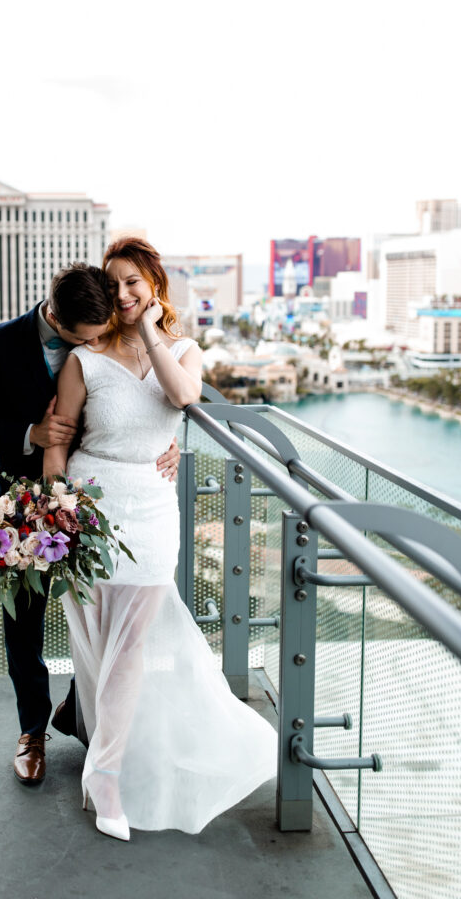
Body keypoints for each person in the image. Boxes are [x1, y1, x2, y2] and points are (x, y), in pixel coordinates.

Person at [43, 238, 277, 840]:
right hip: (89, 512)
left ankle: (107, 775)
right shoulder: (83, 359)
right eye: (114, 284)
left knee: (128, 651)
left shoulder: (183, 350)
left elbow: (184, 397)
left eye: (133, 284)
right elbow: (58, 442)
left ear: (154, 285)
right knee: (96, 649)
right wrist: (57, 504)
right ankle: (103, 750)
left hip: (151, 515)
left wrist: (151, 333)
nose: (122, 295)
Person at [0, 263, 180, 786]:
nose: (92, 345)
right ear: (54, 316)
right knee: (24, 622)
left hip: (103, 504)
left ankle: (78, 709)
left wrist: (167, 442)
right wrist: (30, 433)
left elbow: (147, 397)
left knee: (103, 615)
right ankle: (33, 731)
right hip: (22, 503)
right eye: (83, 339)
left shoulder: (109, 329)